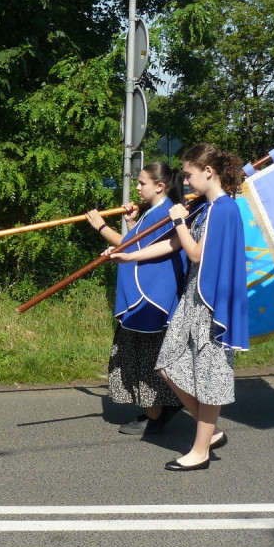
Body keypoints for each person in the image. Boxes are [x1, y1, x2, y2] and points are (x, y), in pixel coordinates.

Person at [111, 143, 249, 471]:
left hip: (212, 303)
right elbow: (171, 245)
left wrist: (179, 222)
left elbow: (195, 253)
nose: (184, 182)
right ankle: (210, 429)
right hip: (193, 299)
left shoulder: (223, 209)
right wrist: (129, 254)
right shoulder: (205, 207)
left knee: (209, 375)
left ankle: (200, 451)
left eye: (188, 175)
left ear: (208, 172)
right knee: (168, 364)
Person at [86, 162, 187, 436]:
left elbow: (128, 247)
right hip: (147, 296)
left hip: (151, 298)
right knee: (143, 355)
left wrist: (100, 226)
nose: (138, 188)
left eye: (142, 183)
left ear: (160, 186)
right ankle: (163, 406)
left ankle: (155, 415)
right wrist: (132, 222)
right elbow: (136, 241)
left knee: (147, 357)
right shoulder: (155, 212)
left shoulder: (164, 213)